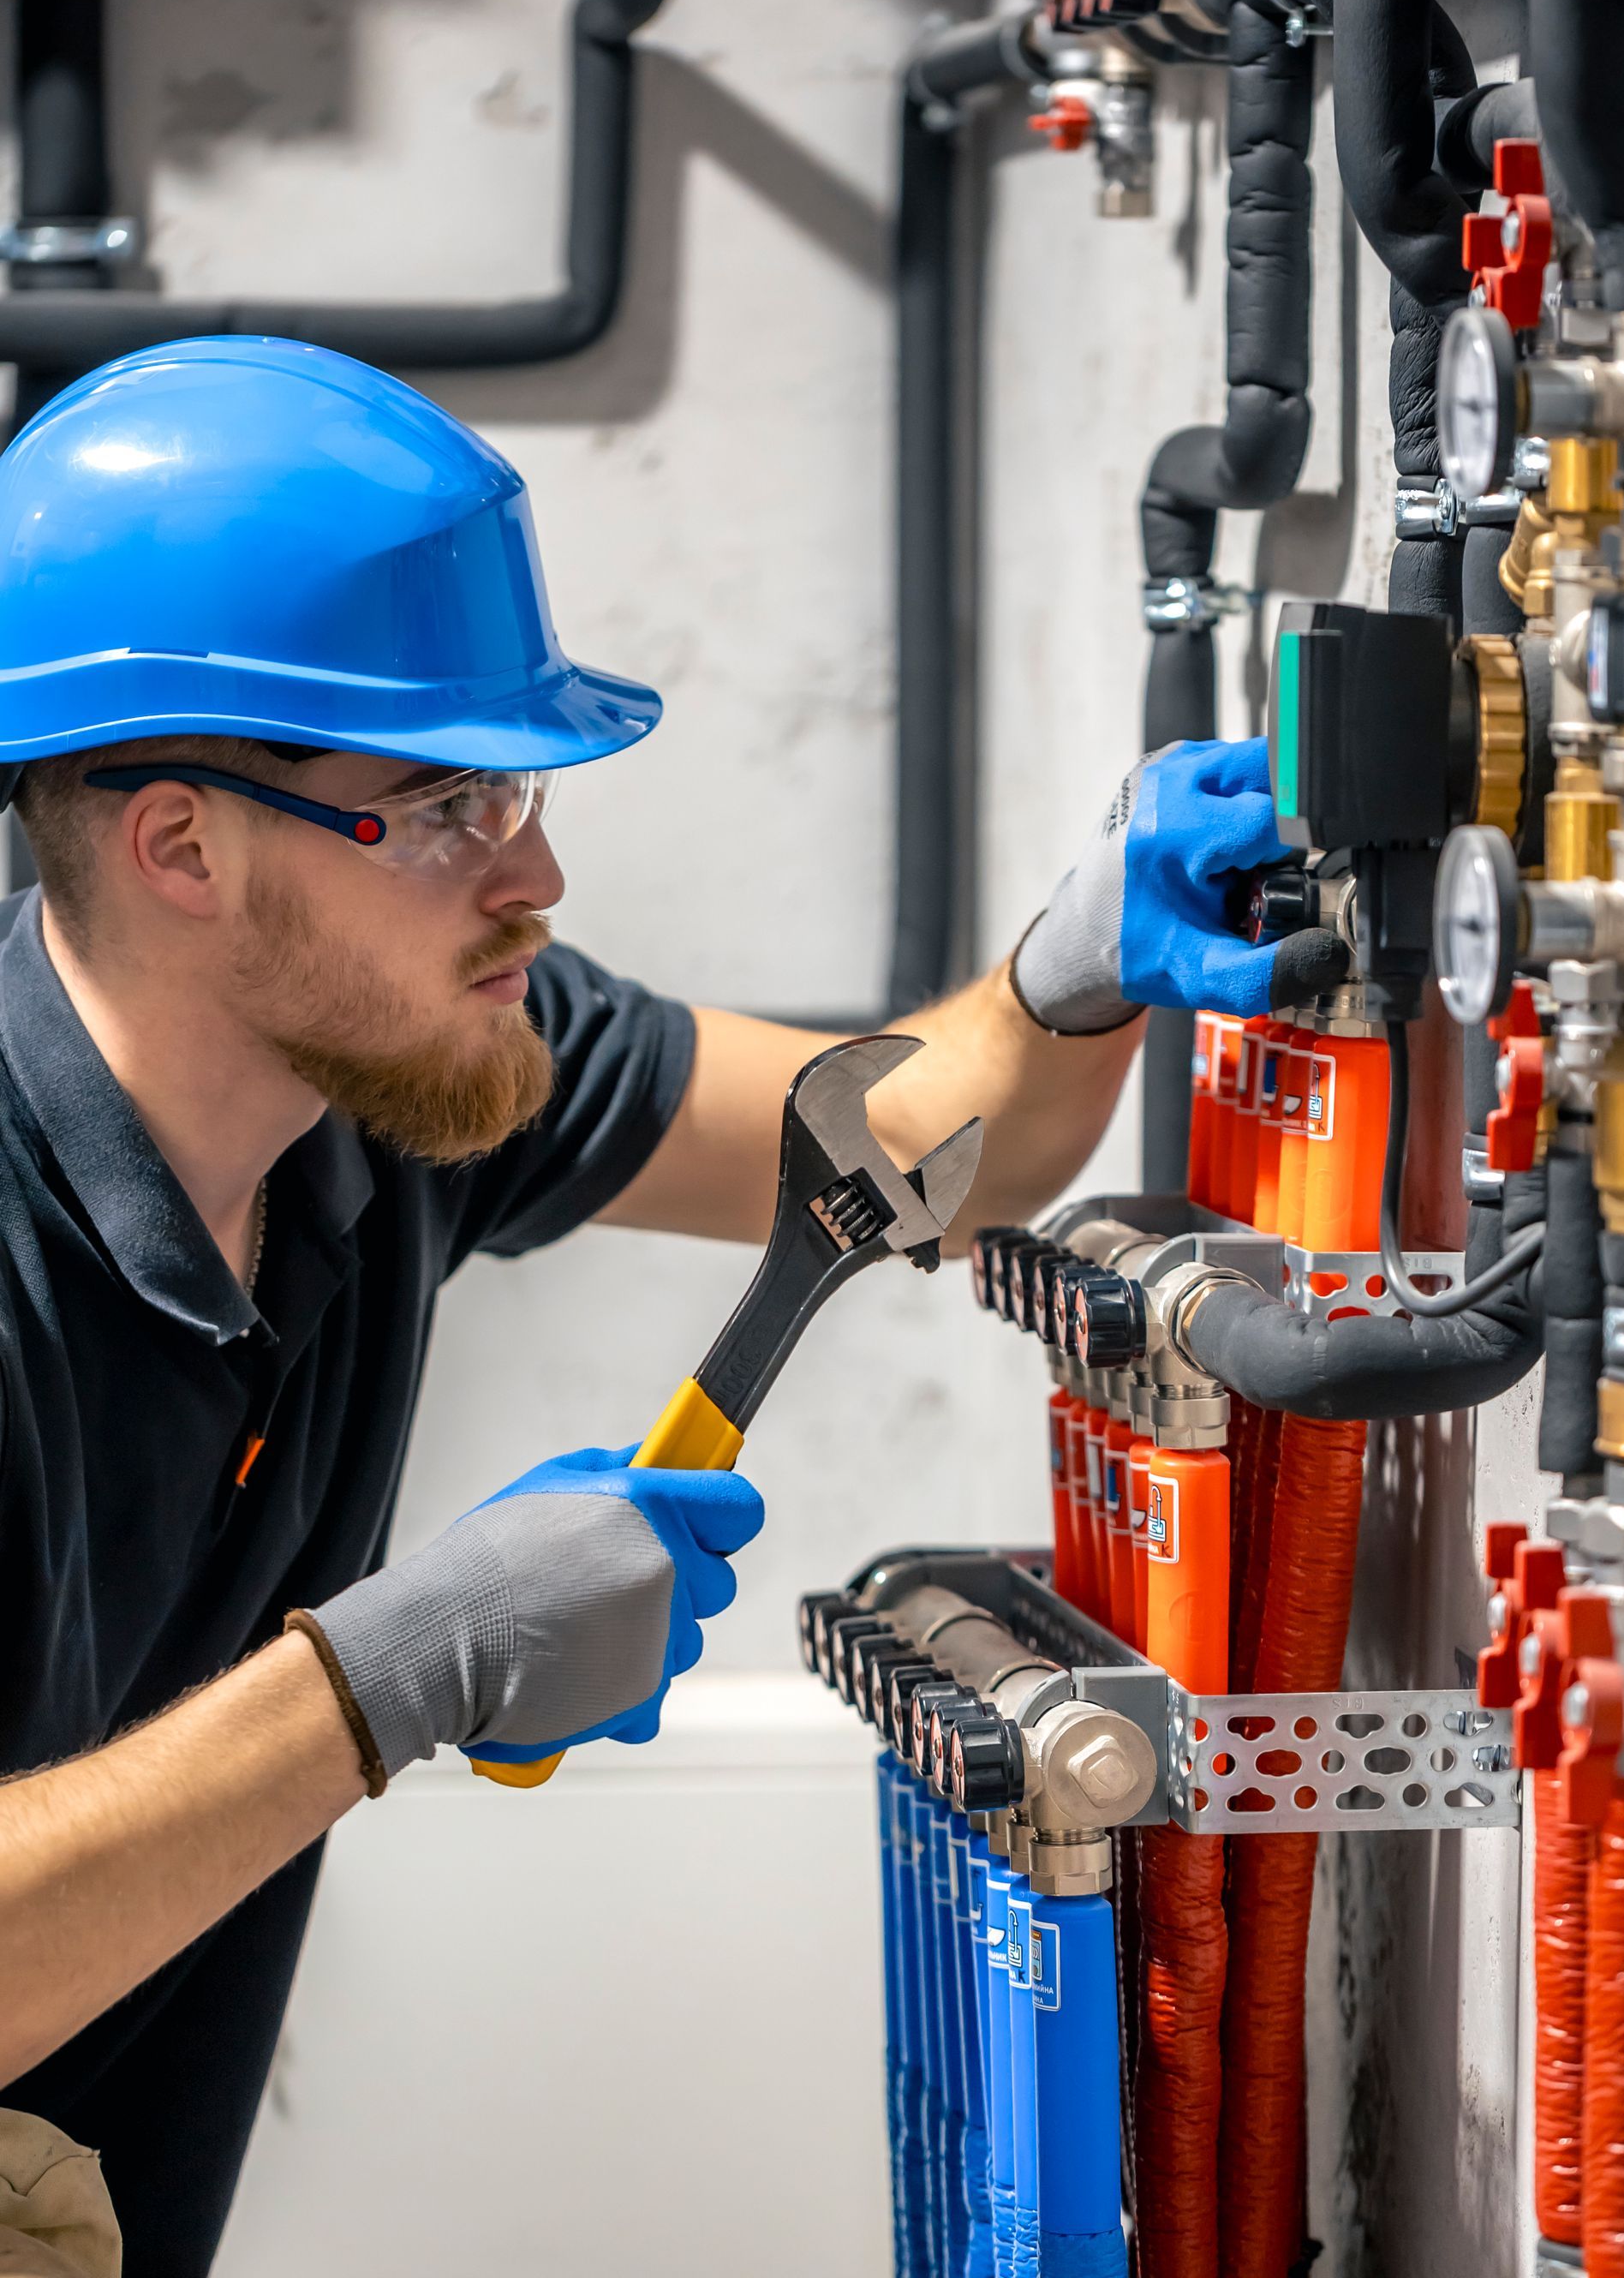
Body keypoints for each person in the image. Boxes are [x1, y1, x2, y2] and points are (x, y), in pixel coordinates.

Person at [0, 338, 1336, 2275]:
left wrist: (1068, 975)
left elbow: (903, 1145)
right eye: (449, 800)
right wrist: (386, 1678)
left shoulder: (404, 1079)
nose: (536, 872)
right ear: (184, 845)